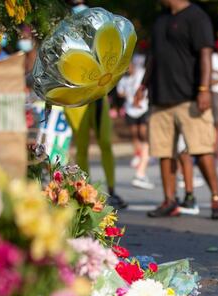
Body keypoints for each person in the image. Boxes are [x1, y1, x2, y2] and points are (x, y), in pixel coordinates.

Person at [143, 0, 218, 219]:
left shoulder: (196, 16)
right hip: (161, 97)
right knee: (163, 152)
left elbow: (205, 55)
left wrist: (204, 89)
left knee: (201, 149)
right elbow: (153, 56)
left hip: (190, 97)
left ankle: (216, 198)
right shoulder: (160, 20)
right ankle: (169, 200)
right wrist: (143, 84)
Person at [63, 0, 125, 209]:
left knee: (105, 142)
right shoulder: (59, 19)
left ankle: (113, 190)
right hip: (74, 92)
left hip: (98, 91)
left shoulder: (97, 18)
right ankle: (84, 193)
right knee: (81, 146)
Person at [117, 54, 153, 190]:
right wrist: (127, 94)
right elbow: (120, 92)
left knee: (143, 132)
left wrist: (139, 96)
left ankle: (143, 159)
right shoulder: (124, 79)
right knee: (134, 133)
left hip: (142, 108)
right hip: (130, 109)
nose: (128, 70)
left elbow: (145, 85)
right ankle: (139, 156)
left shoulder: (141, 73)